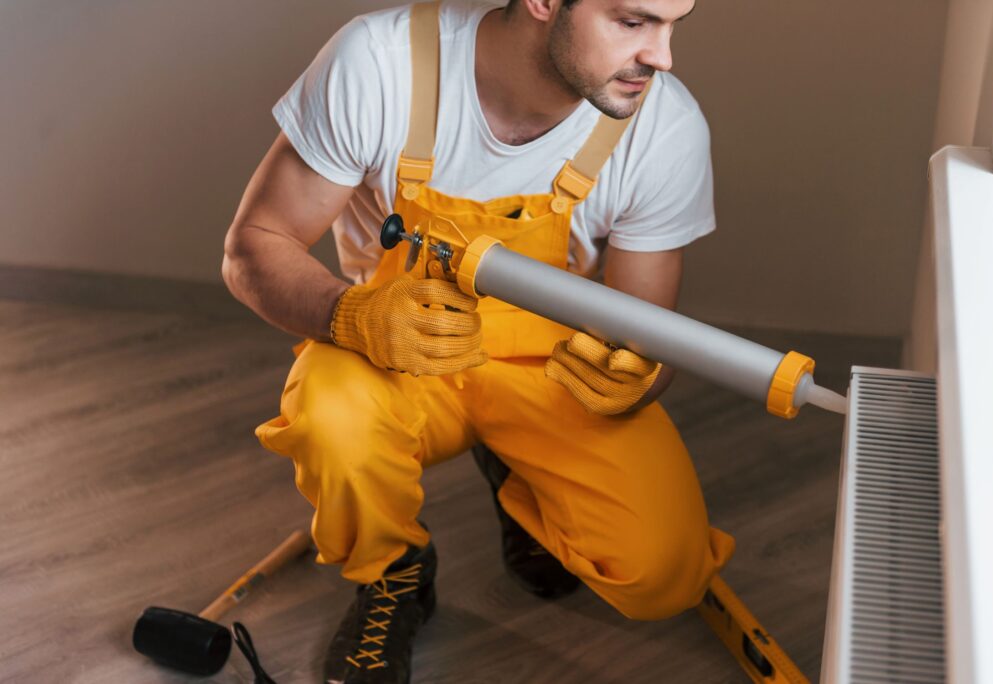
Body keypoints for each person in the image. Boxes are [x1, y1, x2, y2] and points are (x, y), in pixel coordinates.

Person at [222, 0, 734, 681]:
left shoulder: (663, 125)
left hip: (548, 369)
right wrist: (353, 317)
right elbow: (254, 247)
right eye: (633, 22)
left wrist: (642, 375)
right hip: (394, 345)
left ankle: (520, 479)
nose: (662, 58)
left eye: (673, 24)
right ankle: (394, 571)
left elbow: (649, 333)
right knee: (330, 415)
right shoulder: (380, 63)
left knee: (664, 574)